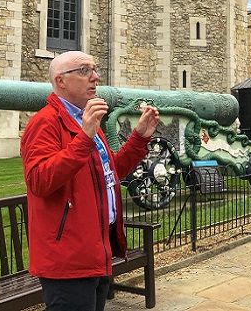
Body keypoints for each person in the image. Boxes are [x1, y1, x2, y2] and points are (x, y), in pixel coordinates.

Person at [21, 51, 160, 311]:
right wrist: (84, 137)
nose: (95, 77)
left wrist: (139, 137)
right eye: (84, 71)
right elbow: (40, 181)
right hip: (68, 260)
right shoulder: (45, 123)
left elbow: (111, 172)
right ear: (61, 81)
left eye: (94, 70)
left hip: (96, 251)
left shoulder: (86, 120)